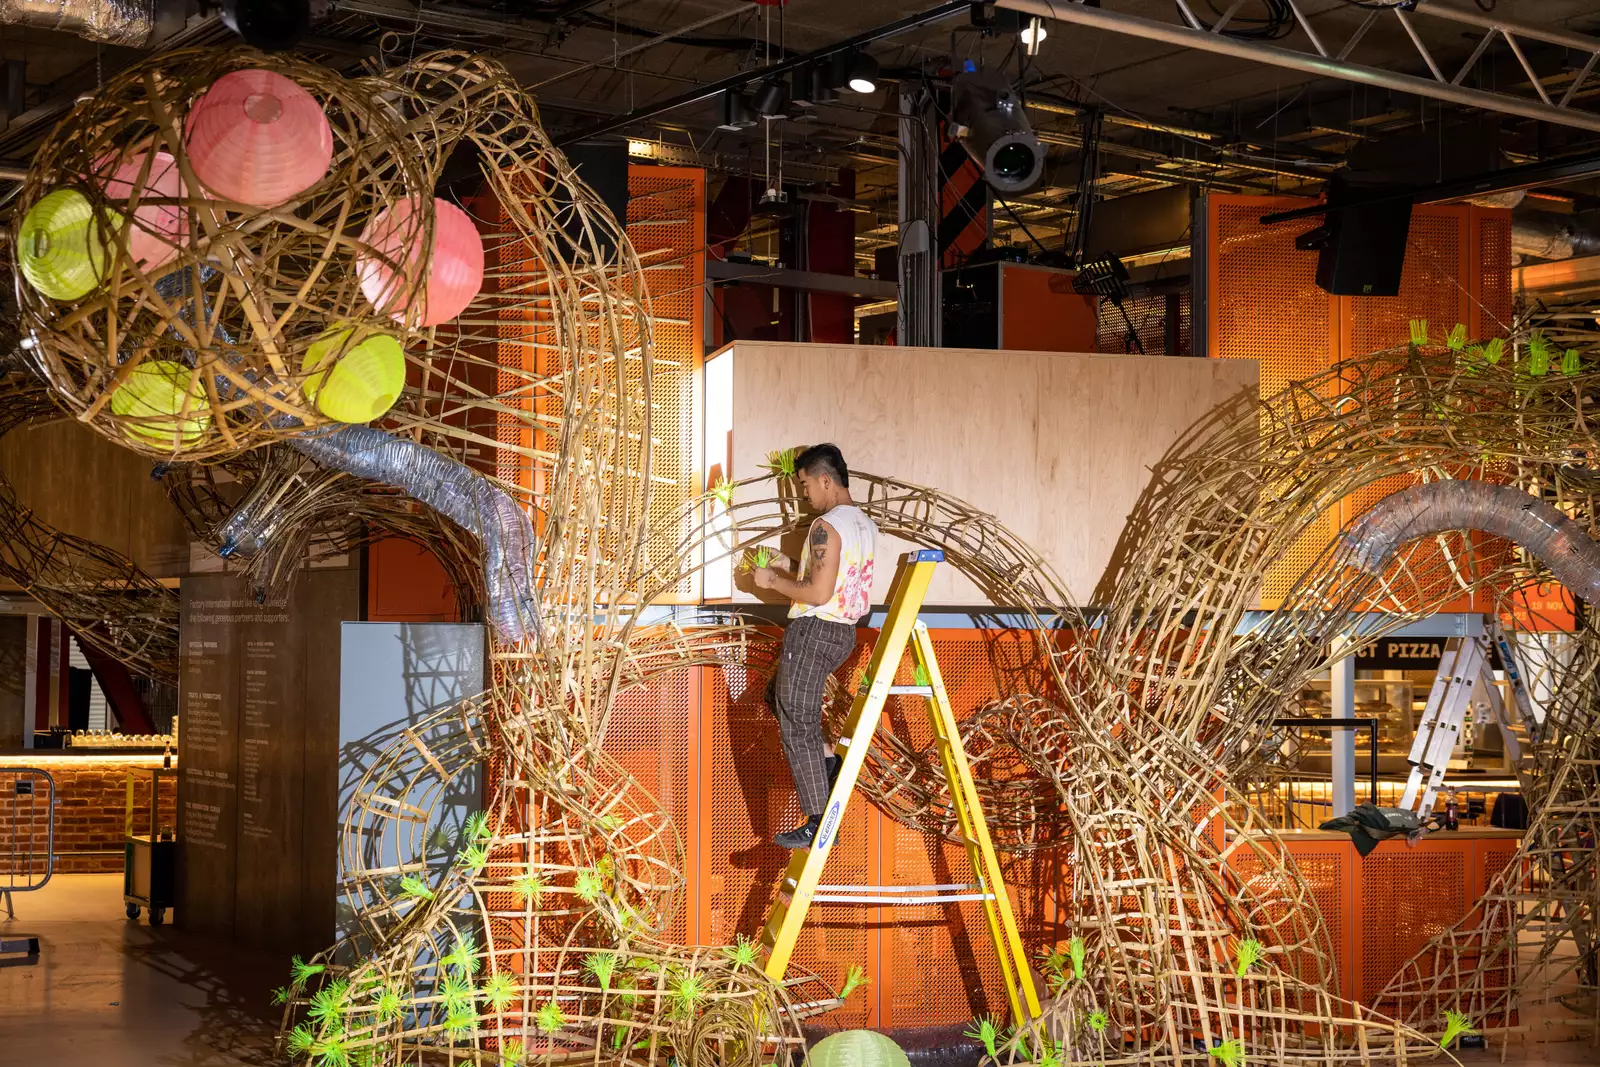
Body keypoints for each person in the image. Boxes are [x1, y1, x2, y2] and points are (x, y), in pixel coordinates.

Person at [752, 443, 877, 849]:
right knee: (780, 697)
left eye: (806, 485)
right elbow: (833, 580)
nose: (806, 495)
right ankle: (828, 762)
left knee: (796, 724)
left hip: (815, 631)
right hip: (842, 634)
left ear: (826, 480)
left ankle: (820, 822)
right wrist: (786, 566)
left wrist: (771, 583)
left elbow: (819, 593)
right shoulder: (863, 525)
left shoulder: (825, 527)